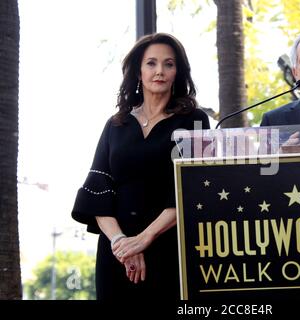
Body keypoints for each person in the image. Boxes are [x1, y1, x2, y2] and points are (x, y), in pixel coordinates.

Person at [71, 33, 210, 300]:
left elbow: (193, 190)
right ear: (138, 71)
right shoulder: (116, 124)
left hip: (170, 249)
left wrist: (144, 239)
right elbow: (98, 191)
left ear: (177, 72)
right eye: (151, 63)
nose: (160, 71)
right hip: (117, 255)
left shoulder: (195, 120)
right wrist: (121, 243)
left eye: (169, 64)